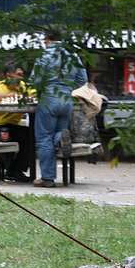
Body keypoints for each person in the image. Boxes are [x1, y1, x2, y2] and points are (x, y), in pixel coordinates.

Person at [31, 30, 87, 188]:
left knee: (44, 138)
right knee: (57, 133)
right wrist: (67, 88)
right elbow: (83, 79)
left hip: (49, 99)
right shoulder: (73, 55)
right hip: (66, 100)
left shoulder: (45, 54)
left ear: (47, 39)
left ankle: (47, 178)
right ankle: (60, 138)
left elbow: (35, 80)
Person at [0, 61, 35, 182]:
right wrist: (10, 95)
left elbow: (37, 95)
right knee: (7, 138)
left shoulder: (23, 86)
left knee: (31, 135)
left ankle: (17, 170)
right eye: (18, 74)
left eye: (22, 74)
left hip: (11, 126)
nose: (21, 77)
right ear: (9, 76)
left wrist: (28, 97)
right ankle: (8, 172)